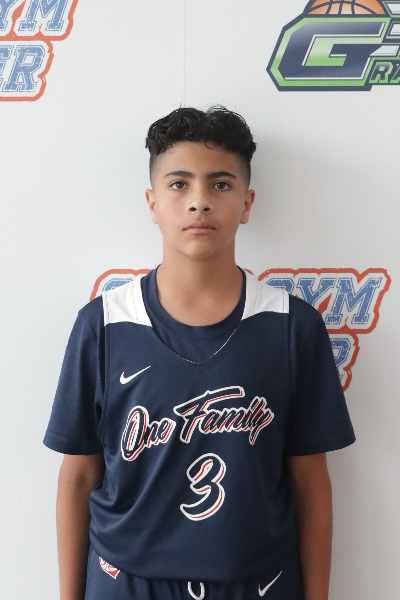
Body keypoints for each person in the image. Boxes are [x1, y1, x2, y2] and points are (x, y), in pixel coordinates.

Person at [44, 106, 356, 600]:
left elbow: (311, 485)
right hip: (126, 582)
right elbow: (78, 477)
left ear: (247, 203)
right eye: (179, 184)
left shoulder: (291, 326)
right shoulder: (103, 325)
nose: (199, 202)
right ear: (152, 203)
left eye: (220, 184)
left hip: (258, 583)